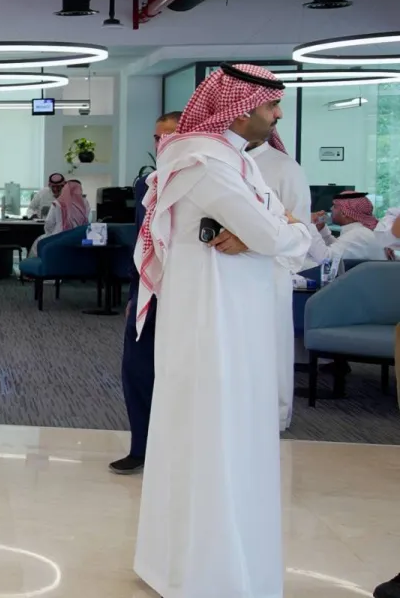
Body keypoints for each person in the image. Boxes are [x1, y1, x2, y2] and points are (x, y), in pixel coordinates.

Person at [133, 64, 310, 598]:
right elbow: (274, 232)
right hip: (214, 318)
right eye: (271, 105)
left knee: (224, 432)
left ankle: (201, 563)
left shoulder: (231, 159)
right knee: (212, 432)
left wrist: (279, 231)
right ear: (239, 108)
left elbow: (277, 230)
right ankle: (207, 570)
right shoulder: (204, 161)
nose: (278, 115)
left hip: (232, 310)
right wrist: (285, 232)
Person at [112, 111, 180, 475]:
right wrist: (132, 296)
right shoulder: (146, 185)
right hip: (147, 293)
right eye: (157, 137)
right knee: (137, 371)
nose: (161, 143)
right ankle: (141, 446)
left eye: (170, 136)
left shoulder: (202, 179)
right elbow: (142, 244)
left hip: (186, 293)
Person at [247, 129, 317, 431]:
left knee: (270, 348)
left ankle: (275, 417)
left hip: (270, 274)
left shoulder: (285, 168)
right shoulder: (220, 161)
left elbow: (299, 229)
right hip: (225, 274)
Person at [312, 191, 389, 267]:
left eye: (335, 206)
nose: (331, 208)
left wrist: (309, 224)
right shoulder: (361, 230)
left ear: (344, 213)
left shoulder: (358, 234)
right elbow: (340, 248)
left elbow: (325, 259)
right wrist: (322, 230)